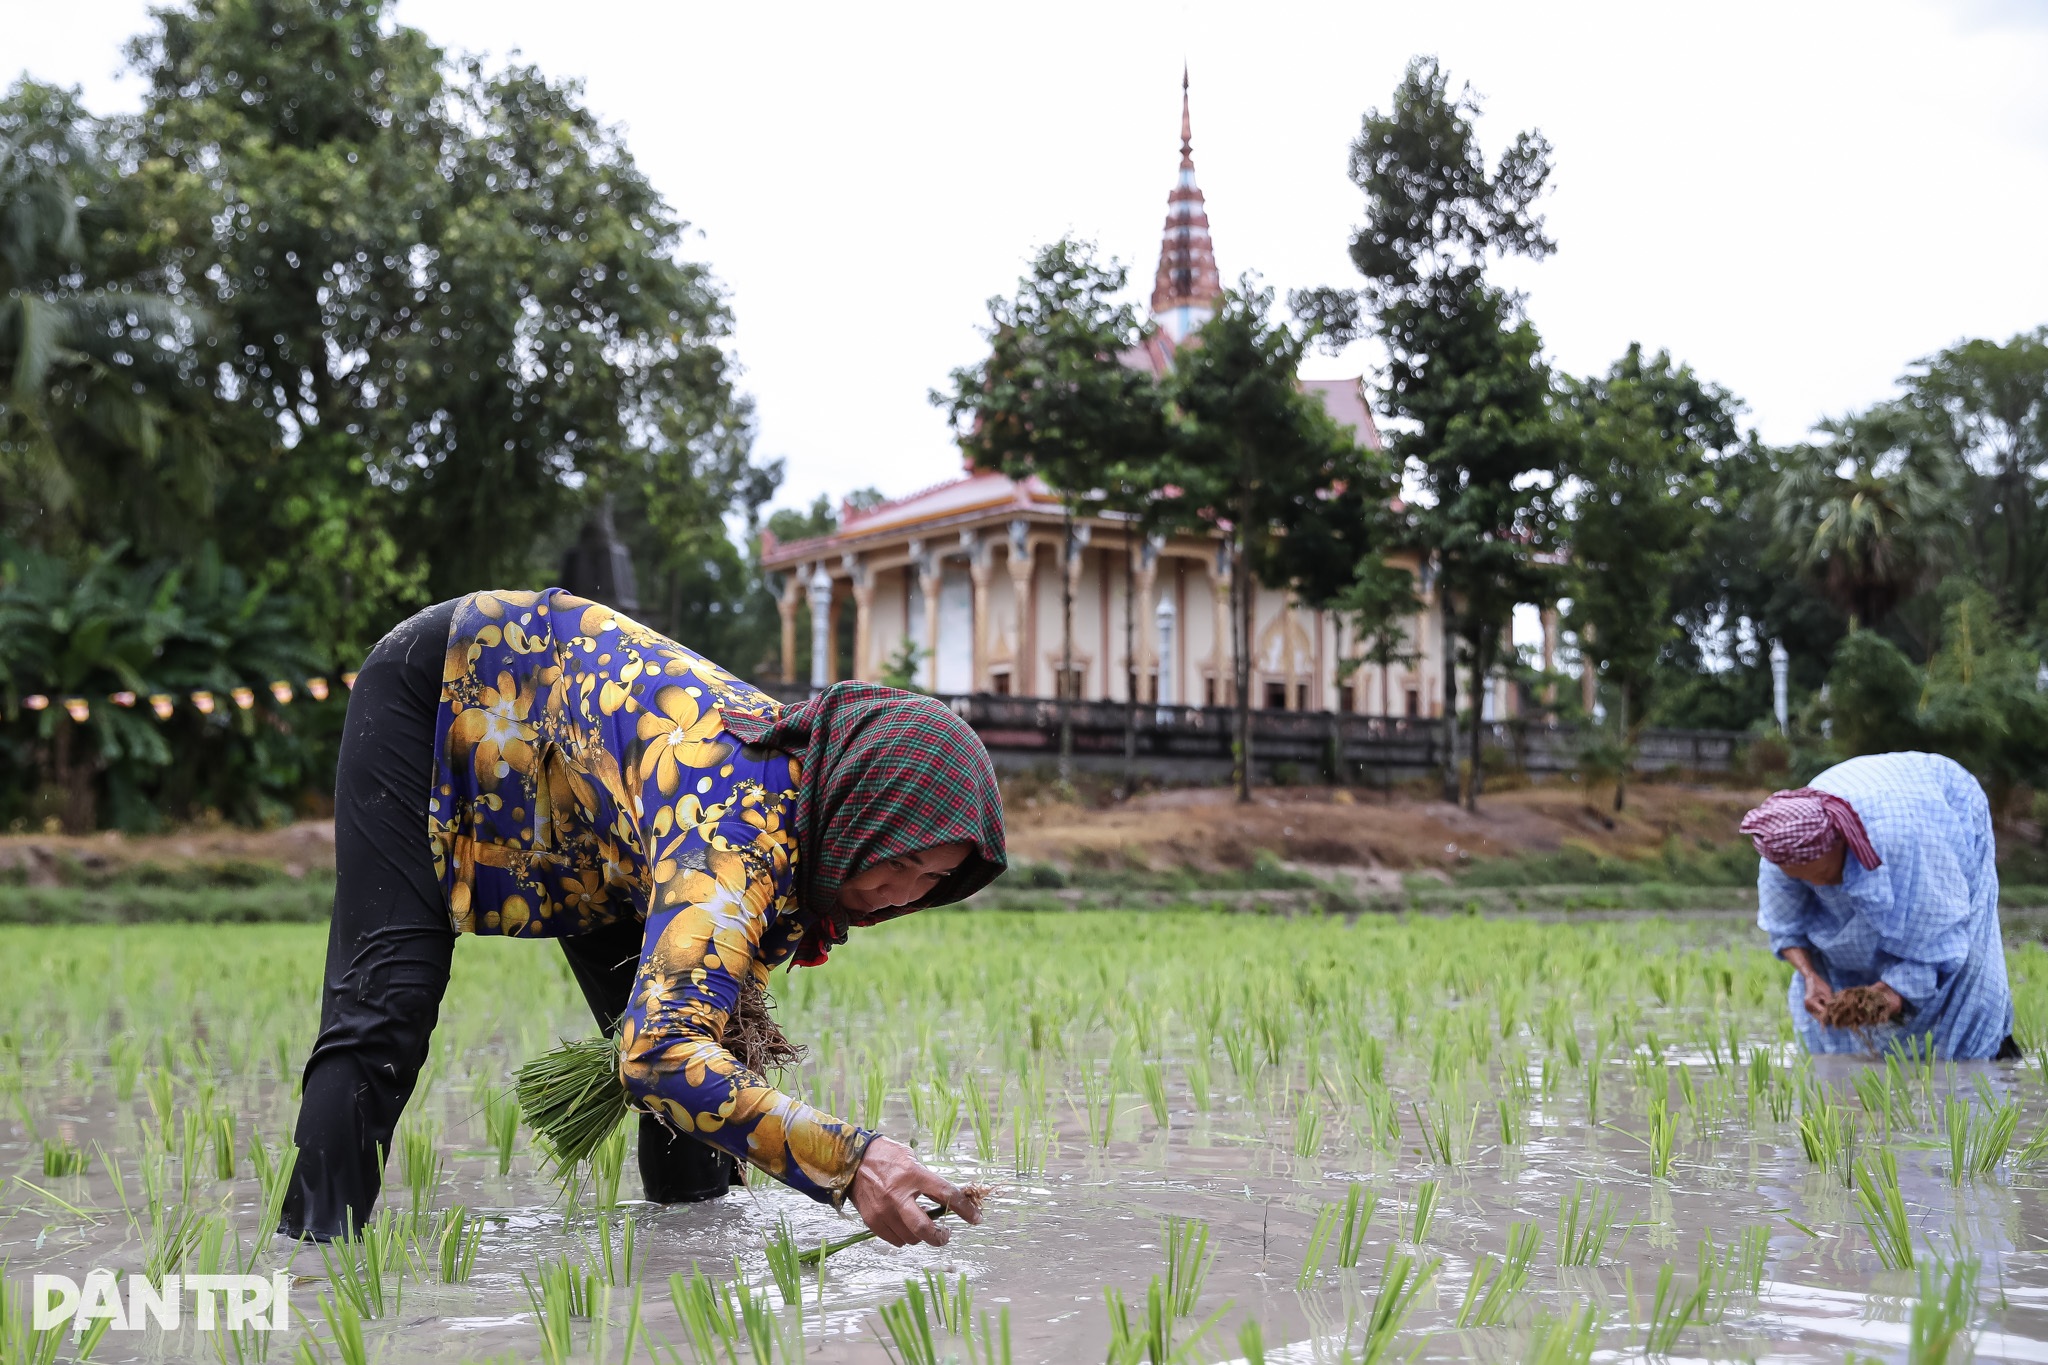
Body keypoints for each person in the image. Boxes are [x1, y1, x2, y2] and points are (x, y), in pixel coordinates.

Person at [279, 588, 1005, 1245]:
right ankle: (307, 1261)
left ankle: (688, 1268)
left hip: (592, 809)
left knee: (707, 1051)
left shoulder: (803, 796)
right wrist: (850, 1158)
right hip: (445, 691)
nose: (900, 894)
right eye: (897, 861)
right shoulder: (734, 834)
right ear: (859, 812)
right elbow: (656, 1055)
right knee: (390, 1001)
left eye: (931, 880)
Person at [1740, 750, 2016, 1061]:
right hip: (1883, 807)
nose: (1820, 886)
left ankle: (1975, 1064)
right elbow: (1785, 928)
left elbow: (1941, 933)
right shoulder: (1781, 852)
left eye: (1823, 874)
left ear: (1840, 843)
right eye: (1804, 879)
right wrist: (1809, 976)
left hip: (1939, 808)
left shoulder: (1904, 845)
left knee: (1966, 967)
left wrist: (1897, 990)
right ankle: (1858, 1074)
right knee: (1832, 998)